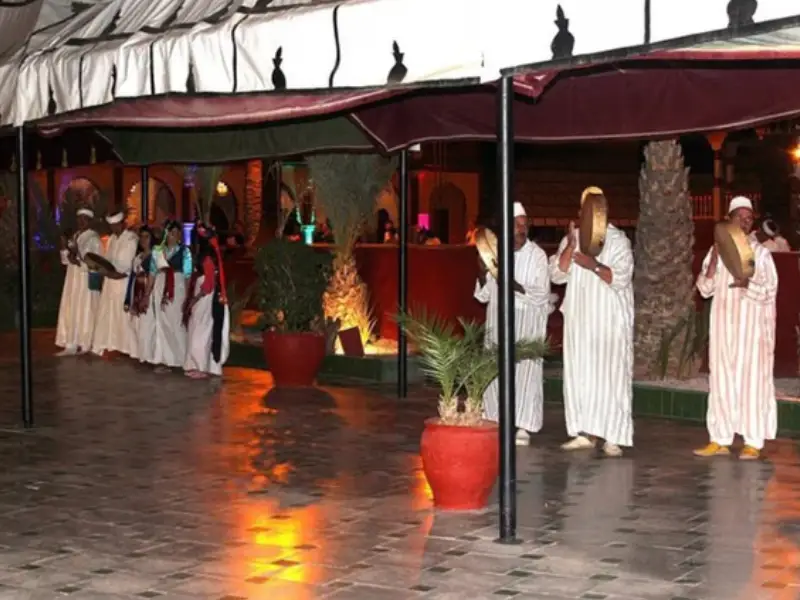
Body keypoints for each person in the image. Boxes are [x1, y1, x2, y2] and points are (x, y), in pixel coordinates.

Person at [548, 186, 634, 457]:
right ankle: (583, 432)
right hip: (579, 321)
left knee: (610, 377)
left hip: (609, 322)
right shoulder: (572, 239)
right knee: (580, 375)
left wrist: (592, 264)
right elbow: (557, 274)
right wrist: (570, 246)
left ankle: (613, 436)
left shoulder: (618, 241)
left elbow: (620, 278)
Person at [694, 196, 778, 460]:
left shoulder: (761, 254)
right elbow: (704, 289)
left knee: (751, 385)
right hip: (723, 329)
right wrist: (714, 262)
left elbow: (770, 290)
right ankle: (720, 438)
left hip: (751, 333)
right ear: (728, 220)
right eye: (739, 217)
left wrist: (747, 285)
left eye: (749, 218)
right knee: (721, 382)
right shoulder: (716, 250)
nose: (744, 222)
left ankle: (753, 441)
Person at [475, 202, 551, 445]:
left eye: (524, 225)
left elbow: (541, 294)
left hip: (526, 326)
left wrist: (510, 283)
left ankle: (523, 425)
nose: (522, 229)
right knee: (494, 373)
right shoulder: (495, 253)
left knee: (524, 374)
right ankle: (494, 419)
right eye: (517, 224)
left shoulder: (537, 256)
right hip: (498, 323)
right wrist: (482, 271)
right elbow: (483, 295)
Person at [183, 224, 230, 379]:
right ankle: (198, 364)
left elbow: (208, 284)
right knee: (198, 330)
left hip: (205, 298)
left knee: (200, 331)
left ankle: (201, 366)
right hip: (203, 296)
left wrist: (194, 299)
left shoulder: (207, 257)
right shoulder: (209, 255)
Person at [91, 212, 139, 358]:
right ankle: (111, 345)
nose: (113, 228)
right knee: (108, 314)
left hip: (123, 283)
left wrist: (111, 273)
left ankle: (126, 348)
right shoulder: (111, 239)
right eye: (111, 226)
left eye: (116, 225)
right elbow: (107, 260)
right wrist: (102, 269)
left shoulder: (131, 239)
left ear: (123, 224)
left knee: (122, 316)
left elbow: (126, 266)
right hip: (110, 282)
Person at [55, 208, 102, 356]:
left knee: (85, 309)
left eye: (84, 219)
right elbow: (66, 261)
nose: (81, 222)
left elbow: (95, 262)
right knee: (71, 308)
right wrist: (64, 247)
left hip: (85, 279)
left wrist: (76, 256)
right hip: (72, 278)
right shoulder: (75, 236)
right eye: (79, 218)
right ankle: (71, 343)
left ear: (90, 221)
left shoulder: (93, 238)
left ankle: (85, 343)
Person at [152, 220, 192, 372]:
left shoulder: (185, 252)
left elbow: (188, 275)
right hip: (161, 286)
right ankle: (166, 359)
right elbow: (153, 271)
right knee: (162, 322)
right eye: (170, 233)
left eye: (176, 233)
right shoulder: (159, 251)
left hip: (177, 287)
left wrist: (188, 296)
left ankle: (181, 358)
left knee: (176, 322)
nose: (173, 236)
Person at [126, 227, 157, 364]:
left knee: (147, 324)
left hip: (148, 292)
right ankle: (139, 353)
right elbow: (132, 278)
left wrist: (147, 295)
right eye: (142, 237)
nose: (144, 240)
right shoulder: (138, 257)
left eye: (147, 237)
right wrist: (129, 298)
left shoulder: (155, 256)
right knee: (135, 324)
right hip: (136, 291)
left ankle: (149, 355)